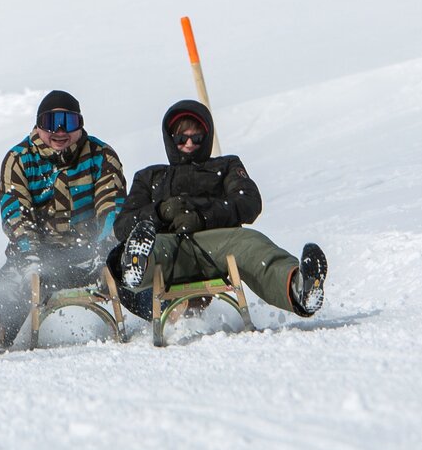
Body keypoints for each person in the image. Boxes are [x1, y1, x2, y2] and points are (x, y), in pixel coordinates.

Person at [112, 100, 327, 323]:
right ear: (169, 138)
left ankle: (298, 288)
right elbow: (123, 225)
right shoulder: (150, 177)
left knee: (251, 243)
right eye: (180, 137)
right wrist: (160, 212)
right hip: (169, 245)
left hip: (217, 243)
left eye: (196, 138)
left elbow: (249, 202)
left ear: (207, 138)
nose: (188, 143)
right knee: (144, 246)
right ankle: (136, 266)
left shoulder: (226, 167)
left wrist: (204, 215)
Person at [0, 91, 127, 353]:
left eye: (68, 123)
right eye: (51, 122)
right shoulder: (20, 159)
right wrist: (31, 255)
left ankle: (172, 313)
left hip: (90, 251)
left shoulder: (100, 155)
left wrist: (107, 246)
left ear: (80, 125)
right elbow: (16, 214)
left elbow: (111, 202)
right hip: (40, 252)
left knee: (132, 260)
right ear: (38, 125)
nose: (59, 131)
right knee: (17, 282)